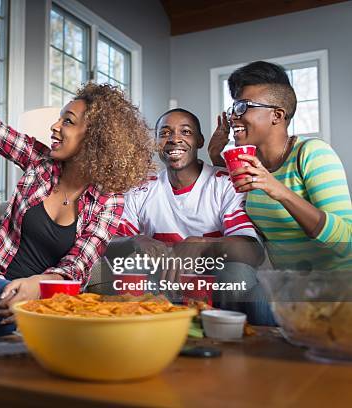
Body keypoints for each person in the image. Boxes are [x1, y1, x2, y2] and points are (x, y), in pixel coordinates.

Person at [0, 0, 155, 338]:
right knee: (13, 306)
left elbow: (78, 265)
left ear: (95, 137)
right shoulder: (38, 161)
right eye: (59, 119)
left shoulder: (109, 202)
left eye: (68, 121)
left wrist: (37, 285)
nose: (55, 127)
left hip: (42, 295)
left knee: (72, 319)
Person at [117, 108, 274, 325]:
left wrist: (201, 244)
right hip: (163, 281)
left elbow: (252, 252)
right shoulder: (141, 189)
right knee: (129, 266)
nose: (174, 139)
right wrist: (136, 239)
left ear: (199, 140)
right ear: (156, 143)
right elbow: (108, 243)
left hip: (214, 281)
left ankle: (228, 340)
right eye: (164, 133)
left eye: (186, 132)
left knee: (237, 273)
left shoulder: (226, 183)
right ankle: (142, 336)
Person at [208, 61, 351, 272]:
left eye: (243, 106)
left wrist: (279, 190)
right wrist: (214, 155)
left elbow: (346, 240)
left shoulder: (313, 153)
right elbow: (235, 195)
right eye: (233, 108)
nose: (233, 117)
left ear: (277, 115)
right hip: (290, 291)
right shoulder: (252, 164)